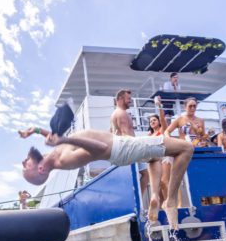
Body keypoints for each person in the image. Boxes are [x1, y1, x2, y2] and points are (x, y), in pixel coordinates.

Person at [19, 128, 194, 229]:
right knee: (186, 148)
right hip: (122, 148)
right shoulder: (65, 159)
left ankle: (155, 196)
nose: (23, 161)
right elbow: (100, 147)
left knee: (153, 158)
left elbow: (53, 137)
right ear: (41, 169)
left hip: (123, 145)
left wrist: (35, 130)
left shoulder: (52, 153)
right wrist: (64, 139)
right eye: (26, 166)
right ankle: (170, 201)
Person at [110, 89, 149, 196]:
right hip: (129, 150)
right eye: (128, 99)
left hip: (126, 150)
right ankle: (136, 199)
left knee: (145, 174)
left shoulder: (118, 113)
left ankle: (138, 198)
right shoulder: (121, 114)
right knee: (140, 175)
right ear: (120, 99)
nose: (130, 101)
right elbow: (126, 135)